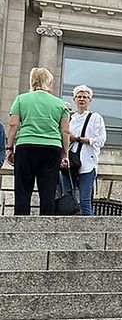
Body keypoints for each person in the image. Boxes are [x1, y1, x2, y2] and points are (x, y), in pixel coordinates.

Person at [6, 67, 70, 215]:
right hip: (52, 148)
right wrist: (64, 154)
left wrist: (9, 148)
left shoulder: (21, 99)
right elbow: (65, 131)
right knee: (48, 190)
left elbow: (13, 124)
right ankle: (45, 228)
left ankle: (20, 226)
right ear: (49, 82)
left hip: (26, 145)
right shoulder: (60, 104)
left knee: (23, 189)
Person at [66, 85, 106, 216]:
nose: (81, 99)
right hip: (70, 163)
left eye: (85, 97)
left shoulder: (95, 118)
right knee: (69, 200)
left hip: (87, 163)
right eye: (79, 96)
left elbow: (100, 140)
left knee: (85, 200)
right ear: (74, 99)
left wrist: (78, 138)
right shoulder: (70, 118)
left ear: (90, 100)